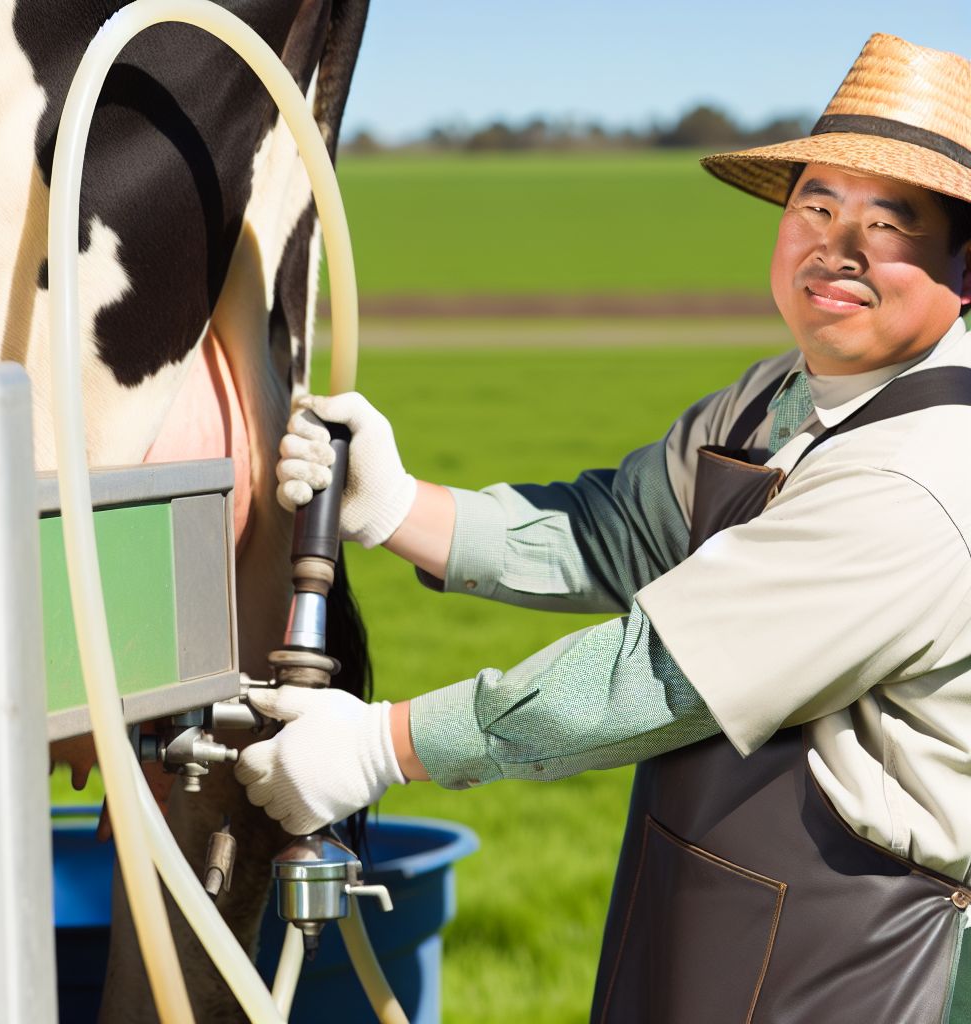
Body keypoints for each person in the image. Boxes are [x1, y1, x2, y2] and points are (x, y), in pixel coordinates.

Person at [236, 33, 971, 1022]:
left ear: (963, 267)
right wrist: (402, 507)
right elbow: (613, 534)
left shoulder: (920, 477)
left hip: (855, 952)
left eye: (889, 223)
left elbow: (658, 675)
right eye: (816, 203)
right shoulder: (773, 399)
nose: (836, 246)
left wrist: (378, 745)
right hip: (698, 895)